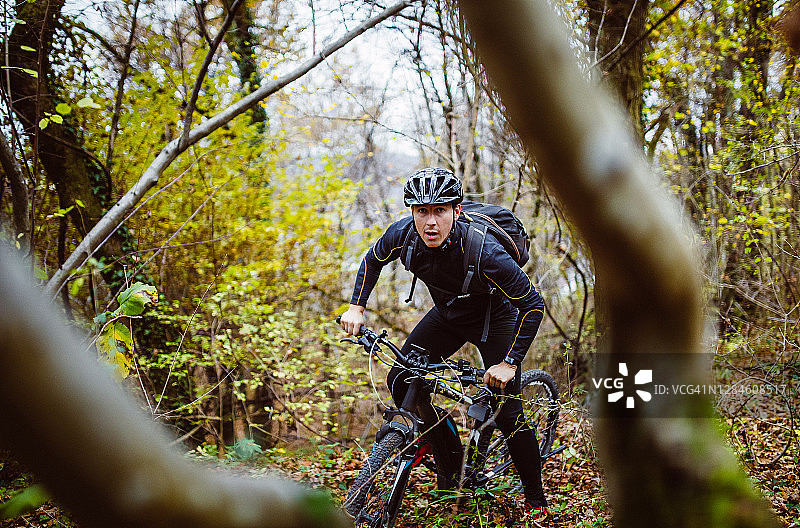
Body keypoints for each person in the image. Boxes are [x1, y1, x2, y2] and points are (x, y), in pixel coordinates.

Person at [339, 167, 549, 523]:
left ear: (456, 211)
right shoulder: (403, 235)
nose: (430, 221)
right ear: (412, 213)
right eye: (422, 211)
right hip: (449, 314)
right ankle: (444, 449)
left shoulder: (485, 251)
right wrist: (356, 306)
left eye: (439, 210)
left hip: (494, 318)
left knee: (509, 412)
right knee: (401, 378)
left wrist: (509, 363)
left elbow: (533, 305)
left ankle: (535, 497)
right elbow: (372, 260)